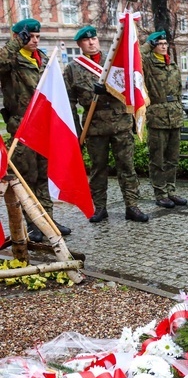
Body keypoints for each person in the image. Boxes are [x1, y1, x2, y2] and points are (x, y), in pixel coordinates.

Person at [64, 25, 149, 223]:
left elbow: (130, 86)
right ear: (79, 44)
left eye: (94, 38)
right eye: (86, 40)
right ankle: (100, 208)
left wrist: (109, 89)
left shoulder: (114, 62)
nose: (91, 42)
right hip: (94, 127)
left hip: (120, 123)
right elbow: (69, 100)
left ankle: (132, 206)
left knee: (127, 167)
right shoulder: (73, 69)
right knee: (98, 169)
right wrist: (76, 130)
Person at [0, 18, 71, 242]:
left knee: (43, 177)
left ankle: (46, 219)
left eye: (37, 37)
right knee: (26, 178)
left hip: (44, 127)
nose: (34, 40)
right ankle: (31, 224)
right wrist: (14, 44)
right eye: (29, 36)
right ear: (18, 36)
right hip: (23, 127)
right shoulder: (11, 60)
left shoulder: (43, 61)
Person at [142, 30, 187, 209]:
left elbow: (178, 89)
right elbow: (137, 56)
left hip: (174, 115)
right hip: (157, 116)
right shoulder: (148, 63)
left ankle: (171, 191)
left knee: (172, 158)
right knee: (157, 158)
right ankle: (160, 193)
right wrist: (147, 43)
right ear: (153, 46)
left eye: (165, 44)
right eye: (159, 44)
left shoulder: (173, 64)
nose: (163, 46)